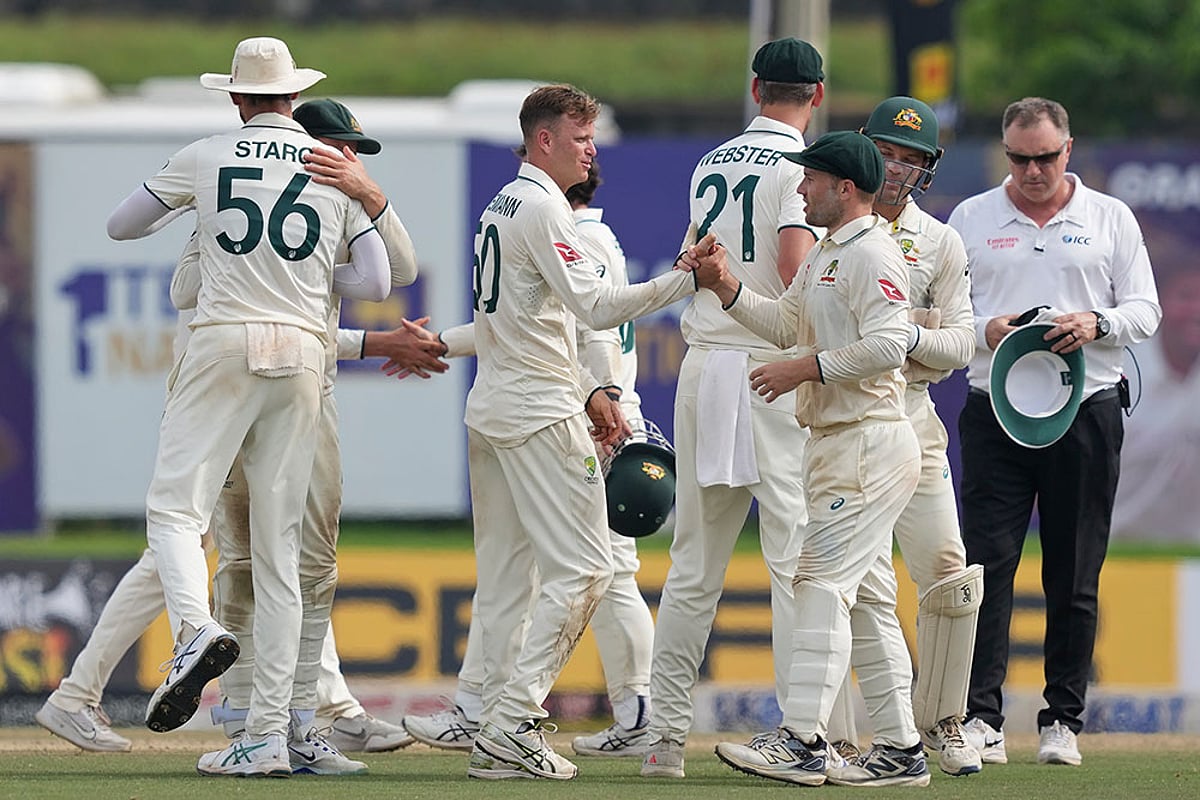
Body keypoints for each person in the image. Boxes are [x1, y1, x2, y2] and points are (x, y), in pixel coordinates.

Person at [105, 37, 391, 777]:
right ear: (293, 99)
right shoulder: (330, 165)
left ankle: (194, 630)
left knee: (175, 511)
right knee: (281, 551)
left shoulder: (207, 153)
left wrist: (204, 215)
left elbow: (121, 225)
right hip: (302, 351)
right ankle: (267, 736)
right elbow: (378, 277)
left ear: (235, 99)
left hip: (223, 340)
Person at [448, 83, 698, 781]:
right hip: (537, 413)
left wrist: (592, 388)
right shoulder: (544, 209)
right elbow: (593, 307)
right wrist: (685, 280)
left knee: (509, 578)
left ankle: (490, 722)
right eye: (580, 137)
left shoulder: (502, 204)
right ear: (544, 140)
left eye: (593, 137)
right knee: (588, 569)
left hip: (494, 408)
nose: (592, 150)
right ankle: (508, 723)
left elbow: (530, 320)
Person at [400, 161, 657, 759]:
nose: (590, 152)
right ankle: (490, 710)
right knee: (546, 573)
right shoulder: (568, 226)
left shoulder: (571, 233)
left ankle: (633, 709)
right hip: (572, 405)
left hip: (585, 412)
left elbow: (590, 331)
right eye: (584, 142)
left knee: (600, 572)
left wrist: (606, 399)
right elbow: (516, 324)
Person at [695, 130, 929, 787]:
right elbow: (783, 325)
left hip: (868, 440)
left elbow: (891, 344)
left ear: (844, 188)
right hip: (838, 441)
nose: (800, 189)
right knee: (868, 602)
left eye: (810, 180)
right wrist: (725, 286)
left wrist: (808, 368)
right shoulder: (828, 252)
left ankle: (802, 740)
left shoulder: (873, 252)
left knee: (819, 581)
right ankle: (902, 751)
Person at [947, 97, 1161, 767]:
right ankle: (982, 715)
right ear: (1003, 153)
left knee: (1074, 570)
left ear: (1068, 150)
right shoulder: (972, 217)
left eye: (1045, 157)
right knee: (988, 563)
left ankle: (1061, 719)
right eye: (1020, 158)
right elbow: (945, 311)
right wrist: (984, 329)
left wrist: (1097, 323)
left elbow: (1146, 309)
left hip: (1086, 406)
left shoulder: (1108, 216)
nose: (1033, 171)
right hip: (994, 405)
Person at [640, 36, 821, 780]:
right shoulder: (800, 169)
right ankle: (801, 731)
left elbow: (694, 263)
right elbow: (792, 265)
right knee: (794, 561)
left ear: (755, 89)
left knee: (693, 566)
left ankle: (662, 742)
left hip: (705, 367)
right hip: (769, 364)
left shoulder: (710, 162)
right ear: (815, 94)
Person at [822, 96, 983, 777]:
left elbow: (962, 344)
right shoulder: (832, 229)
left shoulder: (938, 240)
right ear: (863, 148)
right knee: (849, 582)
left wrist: (901, 337)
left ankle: (944, 720)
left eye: (912, 159)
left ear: (928, 168)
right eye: (886, 152)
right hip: (845, 417)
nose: (896, 168)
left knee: (947, 571)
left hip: (912, 418)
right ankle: (838, 734)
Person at [1111, 225, 1200, 543]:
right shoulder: (1119, 370)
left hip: (1193, 560)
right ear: (1158, 303)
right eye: (1186, 297)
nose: (1196, 311)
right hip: (1115, 551)